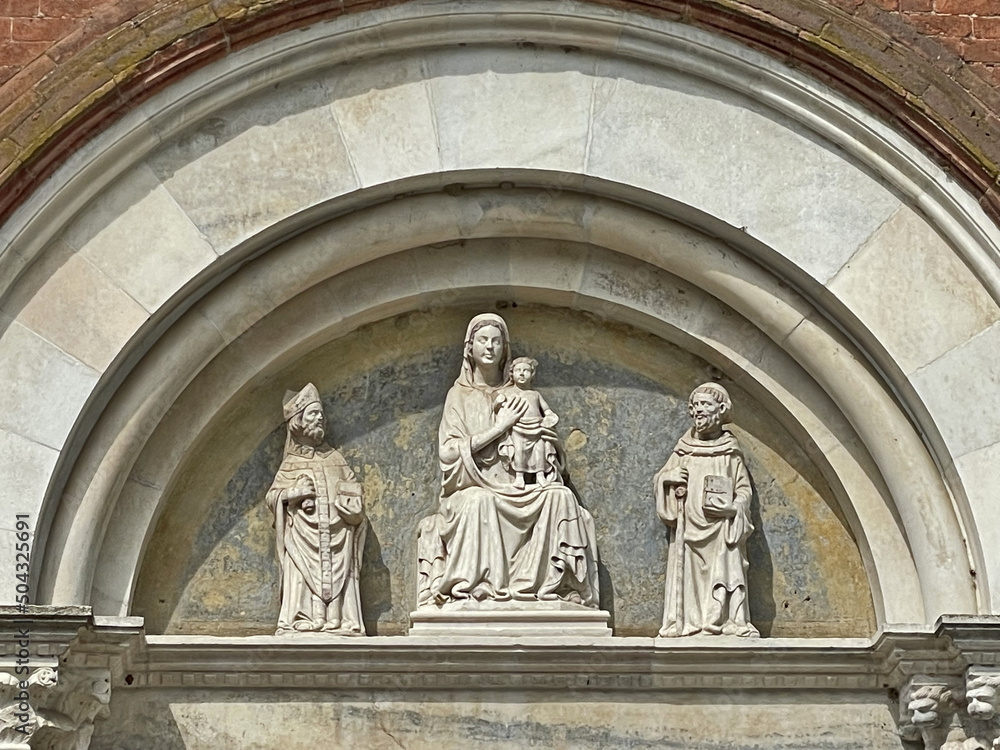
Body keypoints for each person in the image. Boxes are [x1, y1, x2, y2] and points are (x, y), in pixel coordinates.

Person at [416, 314, 600, 608]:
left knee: (559, 496)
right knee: (478, 501)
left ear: (505, 349)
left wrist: (545, 441)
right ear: (469, 348)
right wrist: (499, 428)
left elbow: (547, 435)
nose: (489, 347)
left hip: (523, 482)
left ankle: (556, 589)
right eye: (482, 340)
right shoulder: (458, 396)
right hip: (476, 487)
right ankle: (478, 588)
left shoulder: (522, 394)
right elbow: (449, 453)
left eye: (496, 341)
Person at [655, 382, 758, 637]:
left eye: (706, 405)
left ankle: (723, 621)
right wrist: (669, 478)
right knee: (688, 578)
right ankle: (686, 624)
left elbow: (744, 490)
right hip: (688, 530)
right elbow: (660, 479)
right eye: (696, 405)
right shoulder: (683, 449)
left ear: (720, 410)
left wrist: (733, 509)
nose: (699, 410)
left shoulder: (730, 452)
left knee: (724, 573)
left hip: (721, 531)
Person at [266, 383, 366, 635]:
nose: (320, 417)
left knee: (338, 573)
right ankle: (306, 617)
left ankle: (338, 618)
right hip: (303, 537)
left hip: (338, 535)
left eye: (321, 413)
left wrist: (354, 511)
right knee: (302, 572)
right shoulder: (291, 463)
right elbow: (273, 497)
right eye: (313, 413)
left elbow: (352, 490)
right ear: (297, 421)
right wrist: (294, 494)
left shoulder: (335, 458)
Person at [496, 357, 562, 489]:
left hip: (537, 428)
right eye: (518, 370)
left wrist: (549, 416)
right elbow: (497, 409)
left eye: (526, 370)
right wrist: (498, 402)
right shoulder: (508, 393)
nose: (521, 373)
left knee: (540, 451)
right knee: (518, 451)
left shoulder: (535, 394)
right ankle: (519, 477)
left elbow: (546, 409)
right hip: (517, 428)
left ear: (532, 374)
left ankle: (540, 476)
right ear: (512, 374)